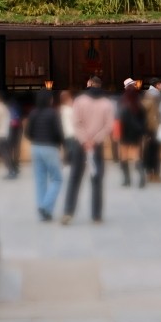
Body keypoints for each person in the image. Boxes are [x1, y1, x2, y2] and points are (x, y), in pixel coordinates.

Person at [62, 76, 114, 225]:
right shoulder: (106, 103)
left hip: (80, 144)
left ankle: (68, 212)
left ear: (90, 84)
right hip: (96, 146)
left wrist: (85, 140)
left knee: (74, 179)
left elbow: (75, 123)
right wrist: (95, 140)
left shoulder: (79, 101)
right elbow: (108, 125)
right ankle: (96, 215)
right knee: (97, 179)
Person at [25, 91, 64, 221]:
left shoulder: (33, 113)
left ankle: (42, 209)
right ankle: (46, 206)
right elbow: (58, 132)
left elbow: (28, 132)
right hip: (50, 147)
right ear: (49, 100)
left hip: (36, 147)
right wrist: (60, 144)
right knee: (57, 179)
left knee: (40, 180)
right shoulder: (53, 113)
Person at [117, 85, 147, 188]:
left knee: (124, 156)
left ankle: (127, 180)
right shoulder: (139, 106)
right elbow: (144, 122)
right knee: (137, 156)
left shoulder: (123, 105)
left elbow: (120, 120)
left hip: (125, 134)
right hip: (136, 134)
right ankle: (142, 178)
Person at [142, 79, 161, 184]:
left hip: (147, 128)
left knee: (148, 150)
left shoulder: (145, 94)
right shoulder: (158, 96)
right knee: (156, 151)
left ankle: (148, 174)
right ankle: (156, 174)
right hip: (156, 127)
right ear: (157, 85)